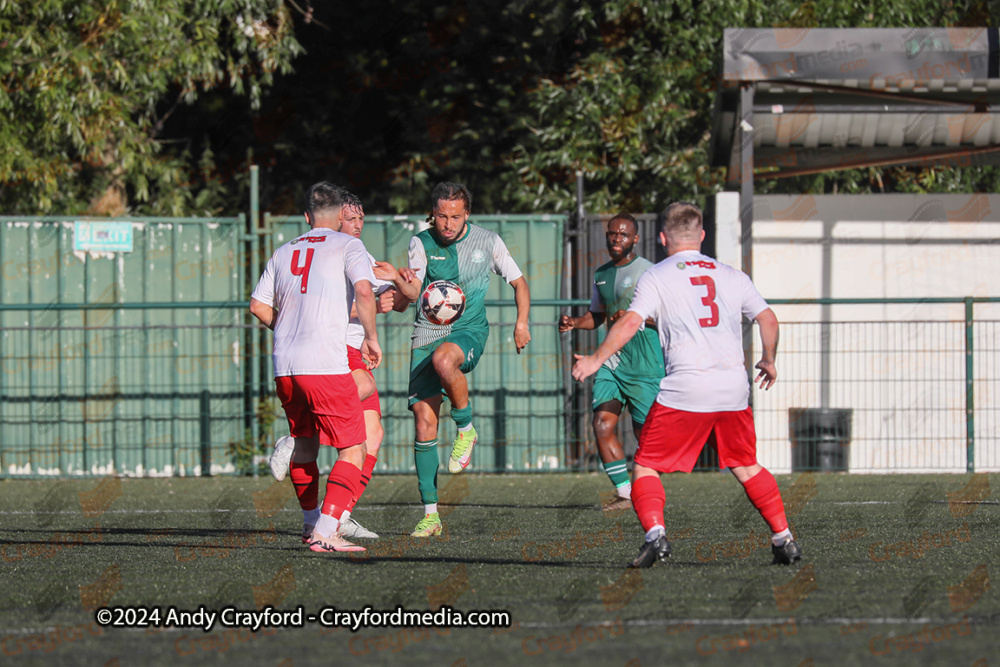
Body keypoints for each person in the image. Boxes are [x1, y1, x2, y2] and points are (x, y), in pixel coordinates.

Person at [571, 201, 801, 567]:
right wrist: (769, 359)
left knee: (645, 465)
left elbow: (630, 322)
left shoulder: (658, 276)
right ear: (703, 236)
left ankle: (656, 536)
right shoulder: (732, 275)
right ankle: (783, 538)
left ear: (662, 238)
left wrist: (596, 359)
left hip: (686, 389)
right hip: (733, 389)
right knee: (746, 465)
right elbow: (768, 318)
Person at [249, 182, 381, 554]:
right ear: (342, 214)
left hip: (286, 366)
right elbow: (366, 291)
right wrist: (371, 336)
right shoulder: (348, 245)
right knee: (354, 448)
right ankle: (326, 532)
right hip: (325, 364)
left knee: (305, 443)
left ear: (307, 216)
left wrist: (291, 327)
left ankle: (311, 525)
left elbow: (258, 306)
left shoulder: (283, 251)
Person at [398, 182, 531, 537]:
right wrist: (399, 282)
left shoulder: (488, 241)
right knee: (425, 425)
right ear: (433, 213)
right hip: (426, 335)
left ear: (467, 214)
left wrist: (521, 323)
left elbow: (520, 283)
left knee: (445, 361)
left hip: (468, 333)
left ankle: (466, 428)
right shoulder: (420, 243)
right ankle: (431, 516)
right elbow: (412, 292)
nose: (448, 223)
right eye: (442, 215)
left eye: (456, 216)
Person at [559, 213, 664, 512]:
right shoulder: (601, 273)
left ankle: (648, 491)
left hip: (646, 363)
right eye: (611, 234)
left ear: (635, 239)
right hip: (614, 360)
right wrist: (574, 323)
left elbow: (668, 317)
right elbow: (598, 315)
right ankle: (625, 494)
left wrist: (637, 318)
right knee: (602, 422)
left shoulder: (651, 273)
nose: (616, 239)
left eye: (623, 234)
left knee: (646, 436)